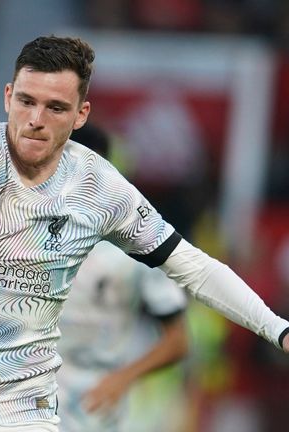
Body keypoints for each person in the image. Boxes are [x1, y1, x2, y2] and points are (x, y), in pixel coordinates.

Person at [0, 35, 289, 431]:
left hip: (19, 410)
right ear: (7, 97)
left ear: (81, 114)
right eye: (26, 102)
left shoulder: (100, 189)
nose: (35, 120)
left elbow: (192, 267)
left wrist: (277, 329)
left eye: (56, 108)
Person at [56, 124, 189, 432]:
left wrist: (122, 379)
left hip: (93, 403)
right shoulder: (27, 230)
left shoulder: (140, 244)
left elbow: (178, 341)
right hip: (28, 396)